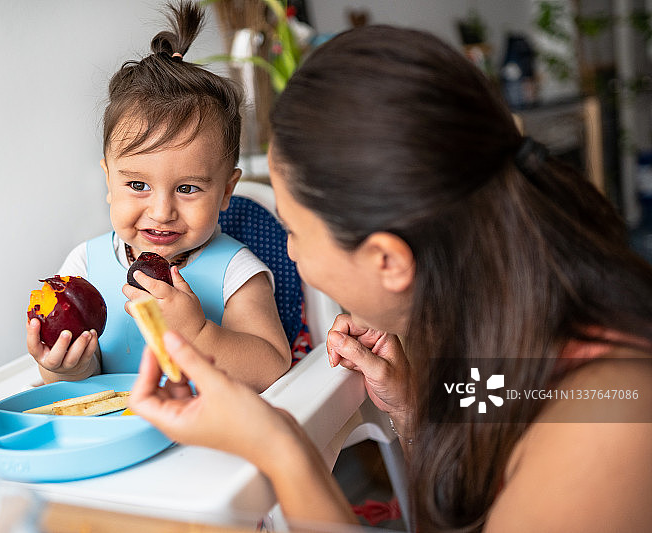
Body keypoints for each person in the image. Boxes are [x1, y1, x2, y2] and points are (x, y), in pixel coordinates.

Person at [129, 23, 652, 533]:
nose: (289, 251)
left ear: (388, 261)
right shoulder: (493, 328)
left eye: (294, 231)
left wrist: (281, 449)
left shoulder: (609, 420)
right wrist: (413, 408)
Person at [26, 1, 291, 392]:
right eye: (138, 185)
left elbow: (271, 367)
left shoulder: (235, 272)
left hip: (211, 426)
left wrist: (198, 333)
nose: (162, 211)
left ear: (225, 191)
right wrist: (66, 367)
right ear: (109, 182)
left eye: (187, 188)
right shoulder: (84, 266)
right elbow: (80, 382)